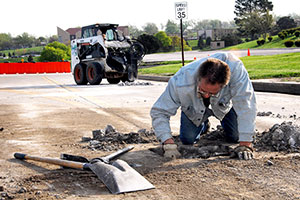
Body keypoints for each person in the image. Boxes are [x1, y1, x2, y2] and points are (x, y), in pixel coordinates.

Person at [150, 52, 257, 160]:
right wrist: (167, 143)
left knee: (235, 136)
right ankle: (203, 124)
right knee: (188, 139)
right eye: (203, 91)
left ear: (224, 85)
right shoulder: (180, 81)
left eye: (212, 93)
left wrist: (245, 143)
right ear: (198, 78)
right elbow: (159, 111)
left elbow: (246, 105)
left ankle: (223, 120)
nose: (206, 95)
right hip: (194, 108)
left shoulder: (236, 71)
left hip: (223, 105)